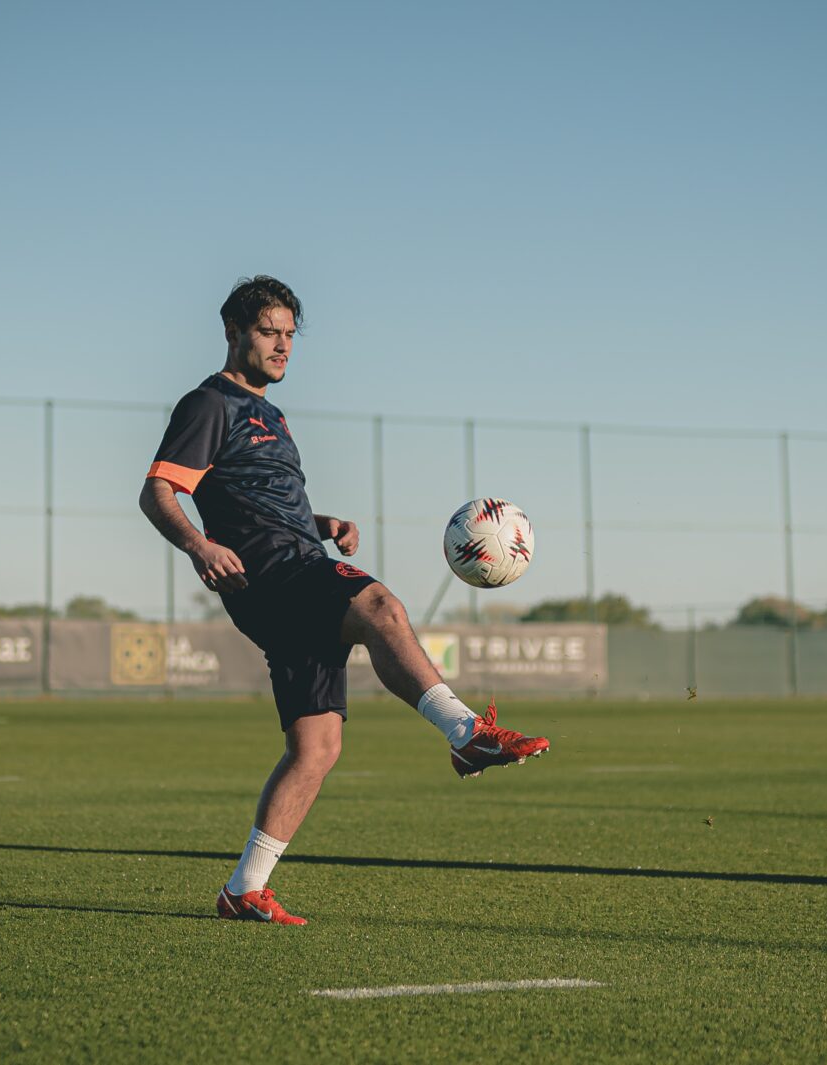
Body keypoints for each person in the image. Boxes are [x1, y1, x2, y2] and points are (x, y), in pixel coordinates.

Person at [139, 276, 550, 926]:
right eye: (268, 332)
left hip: (297, 562)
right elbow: (158, 491)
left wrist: (321, 523)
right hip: (273, 574)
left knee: (316, 747)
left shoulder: (273, 416)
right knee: (379, 605)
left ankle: (244, 888)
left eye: (289, 335)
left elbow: (258, 498)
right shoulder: (210, 403)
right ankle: (466, 732)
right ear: (233, 332)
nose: (282, 346)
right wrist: (199, 545)